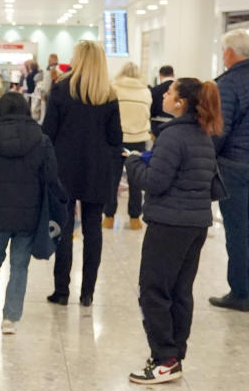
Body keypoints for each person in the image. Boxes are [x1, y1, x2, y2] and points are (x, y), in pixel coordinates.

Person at [125, 77, 224, 383]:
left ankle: (164, 358)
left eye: (169, 92)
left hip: (169, 223)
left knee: (153, 290)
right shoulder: (202, 134)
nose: (164, 95)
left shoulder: (172, 135)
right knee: (180, 291)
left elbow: (155, 182)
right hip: (195, 223)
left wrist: (133, 163)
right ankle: (174, 355)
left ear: (179, 102)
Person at [0, 91, 60, 334]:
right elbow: (50, 175)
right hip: (30, 213)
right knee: (20, 265)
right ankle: (11, 319)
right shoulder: (41, 138)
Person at [43, 39, 122, 308]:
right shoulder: (108, 95)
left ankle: (61, 290)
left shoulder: (61, 89)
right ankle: (87, 292)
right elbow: (116, 138)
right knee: (93, 230)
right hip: (98, 171)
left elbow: (48, 133)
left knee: (65, 230)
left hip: (64, 169)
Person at [211, 28, 249, 311]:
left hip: (234, 163)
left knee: (236, 228)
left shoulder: (228, 83)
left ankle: (239, 293)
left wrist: (208, 156)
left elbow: (222, 127)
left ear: (229, 53)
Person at [105, 60, 152, 229]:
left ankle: (109, 217)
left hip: (117, 139)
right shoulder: (145, 91)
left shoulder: (114, 88)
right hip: (139, 139)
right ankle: (134, 219)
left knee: (112, 179)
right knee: (136, 181)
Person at [150, 64, 175, 138]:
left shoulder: (154, 90)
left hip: (157, 125)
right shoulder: (180, 89)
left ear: (160, 76)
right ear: (173, 74)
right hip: (175, 124)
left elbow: (151, 110)